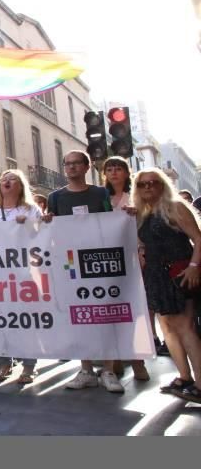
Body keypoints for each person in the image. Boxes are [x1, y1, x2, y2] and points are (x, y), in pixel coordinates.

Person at [42, 150, 123, 392]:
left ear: (87, 167)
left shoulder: (100, 193)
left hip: (99, 260)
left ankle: (108, 370)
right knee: (79, 316)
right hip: (70, 263)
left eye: (76, 163)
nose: (71, 167)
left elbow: (111, 221)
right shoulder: (55, 197)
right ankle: (86, 369)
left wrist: (125, 217)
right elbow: (52, 230)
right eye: (67, 163)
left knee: (104, 314)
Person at [133, 168, 201, 403]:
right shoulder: (143, 213)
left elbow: (198, 237)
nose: (148, 187)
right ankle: (184, 377)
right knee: (168, 328)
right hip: (156, 275)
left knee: (186, 327)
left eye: (153, 182)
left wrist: (194, 266)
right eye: (142, 184)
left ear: (162, 184)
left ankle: (200, 384)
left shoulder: (175, 206)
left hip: (179, 272)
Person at [0, 169, 41, 384]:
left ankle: (29, 366)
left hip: (23, 272)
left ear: (20, 185)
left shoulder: (31, 210)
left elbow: (42, 237)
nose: (7, 182)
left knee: (25, 319)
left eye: (12, 179)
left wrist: (31, 227)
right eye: (3, 180)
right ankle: (4, 361)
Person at [102, 156, 152, 380]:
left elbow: (149, 220)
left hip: (133, 257)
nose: (114, 172)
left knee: (134, 309)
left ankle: (137, 360)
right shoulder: (101, 197)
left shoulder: (137, 196)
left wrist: (137, 212)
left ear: (126, 172)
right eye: (109, 169)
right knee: (111, 311)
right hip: (107, 259)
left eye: (118, 168)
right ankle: (114, 361)